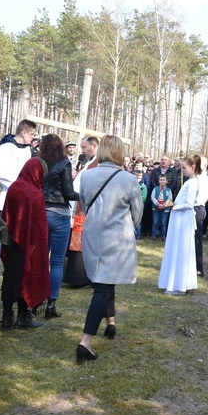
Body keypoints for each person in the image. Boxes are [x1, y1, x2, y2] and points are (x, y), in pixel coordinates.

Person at [77, 135, 143, 363]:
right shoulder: (128, 179)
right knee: (102, 288)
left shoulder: (87, 176)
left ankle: (110, 323)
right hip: (116, 238)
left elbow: (85, 204)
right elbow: (137, 213)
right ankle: (85, 342)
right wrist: (125, 227)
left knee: (104, 280)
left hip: (93, 234)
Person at [1, 157, 49, 330]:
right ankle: (23, 316)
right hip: (30, 244)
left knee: (10, 277)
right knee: (25, 278)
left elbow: (6, 215)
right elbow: (41, 228)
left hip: (12, 240)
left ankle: (7, 317)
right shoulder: (35, 194)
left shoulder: (14, 187)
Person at [39, 134, 80, 319]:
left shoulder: (37, 162)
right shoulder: (64, 163)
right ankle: (51, 304)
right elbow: (69, 192)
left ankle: (35, 301)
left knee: (40, 260)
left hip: (41, 213)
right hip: (60, 214)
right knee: (56, 262)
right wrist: (84, 196)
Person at [158, 155, 202, 295]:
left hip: (183, 220)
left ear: (193, 167)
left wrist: (173, 206)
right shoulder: (189, 182)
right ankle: (175, 282)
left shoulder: (193, 183)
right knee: (176, 249)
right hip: (179, 219)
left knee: (180, 250)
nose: (182, 170)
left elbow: (189, 204)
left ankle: (179, 285)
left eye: (184, 168)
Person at [64, 136, 98, 288]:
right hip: (77, 204)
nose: (82, 150)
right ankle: (74, 275)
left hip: (85, 207)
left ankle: (82, 277)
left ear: (94, 145)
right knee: (76, 241)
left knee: (82, 242)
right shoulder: (88, 162)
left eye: (84, 147)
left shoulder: (98, 163)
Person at [0, 119, 36, 211]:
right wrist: (18, 186)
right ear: (23, 133)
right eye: (32, 134)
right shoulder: (5, 148)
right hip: (4, 197)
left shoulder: (28, 151)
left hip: (20, 199)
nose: (33, 137)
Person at [151, 174, 172, 240]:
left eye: (163, 180)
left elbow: (170, 199)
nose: (162, 181)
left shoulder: (168, 190)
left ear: (166, 181)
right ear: (159, 181)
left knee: (163, 223)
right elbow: (152, 197)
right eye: (161, 180)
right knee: (155, 222)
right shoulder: (155, 189)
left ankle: (163, 236)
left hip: (165, 209)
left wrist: (164, 205)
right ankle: (153, 235)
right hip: (156, 208)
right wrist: (157, 204)